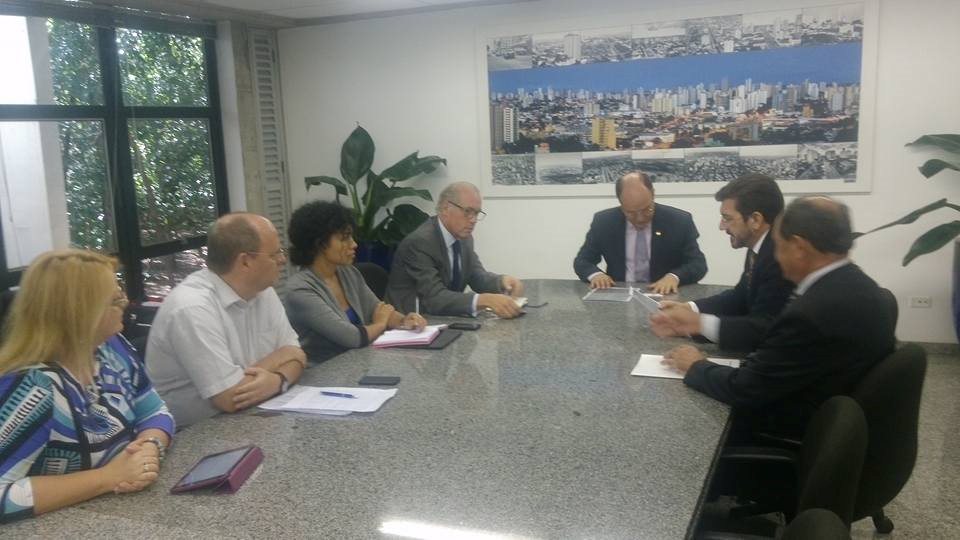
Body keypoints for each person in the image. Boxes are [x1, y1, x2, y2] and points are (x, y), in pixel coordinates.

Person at [661, 197, 896, 437]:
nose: (776, 256)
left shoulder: (811, 313)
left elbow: (746, 389)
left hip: (795, 427)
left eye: (779, 246)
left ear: (799, 248)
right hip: (834, 411)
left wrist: (696, 365)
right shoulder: (857, 284)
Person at [0, 250, 173, 523]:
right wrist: (107, 477)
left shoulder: (111, 347)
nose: (126, 303)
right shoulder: (33, 387)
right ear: (80, 314)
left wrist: (150, 447)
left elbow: (155, 412)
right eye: (115, 299)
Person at [147, 213, 306, 428]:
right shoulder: (192, 308)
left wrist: (278, 379)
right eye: (275, 253)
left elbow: (298, 357)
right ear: (245, 261)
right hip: (193, 434)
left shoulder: (262, 290)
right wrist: (282, 360)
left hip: (251, 417)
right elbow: (230, 398)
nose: (282, 259)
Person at [651, 174, 793, 351]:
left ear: (755, 220)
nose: (721, 226)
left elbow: (763, 329)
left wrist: (699, 324)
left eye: (727, 218)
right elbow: (740, 297)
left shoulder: (780, 258)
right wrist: (689, 308)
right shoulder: (759, 247)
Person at [284, 201, 427, 363]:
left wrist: (404, 321)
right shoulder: (300, 290)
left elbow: (377, 308)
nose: (354, 244)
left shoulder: (347, 272)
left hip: (358, 361)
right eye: (344, 238)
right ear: (320, 244)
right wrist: (380, 324)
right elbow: (352, 337)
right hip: (323, 371)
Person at [386, 181, 525, 318]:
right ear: (446, 208)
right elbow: (434, 298)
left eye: (476, 213)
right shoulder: (420, 243)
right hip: (410, 322)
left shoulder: (465, 239)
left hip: (443, 320)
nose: (473, 220)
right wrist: (484, 300)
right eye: (468, 211)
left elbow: (476, 276)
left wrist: (502, 282)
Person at [573, 172, 707, 295]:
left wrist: (674, 277)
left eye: (646, 209)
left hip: (664, 295)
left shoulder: (679, 221)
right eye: (631, 213)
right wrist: (596, 275)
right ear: (620, 203)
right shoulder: (604, 222)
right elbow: (582, 261)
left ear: (653, 194)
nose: (640, 218)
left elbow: (698, 264)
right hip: (620, 294)